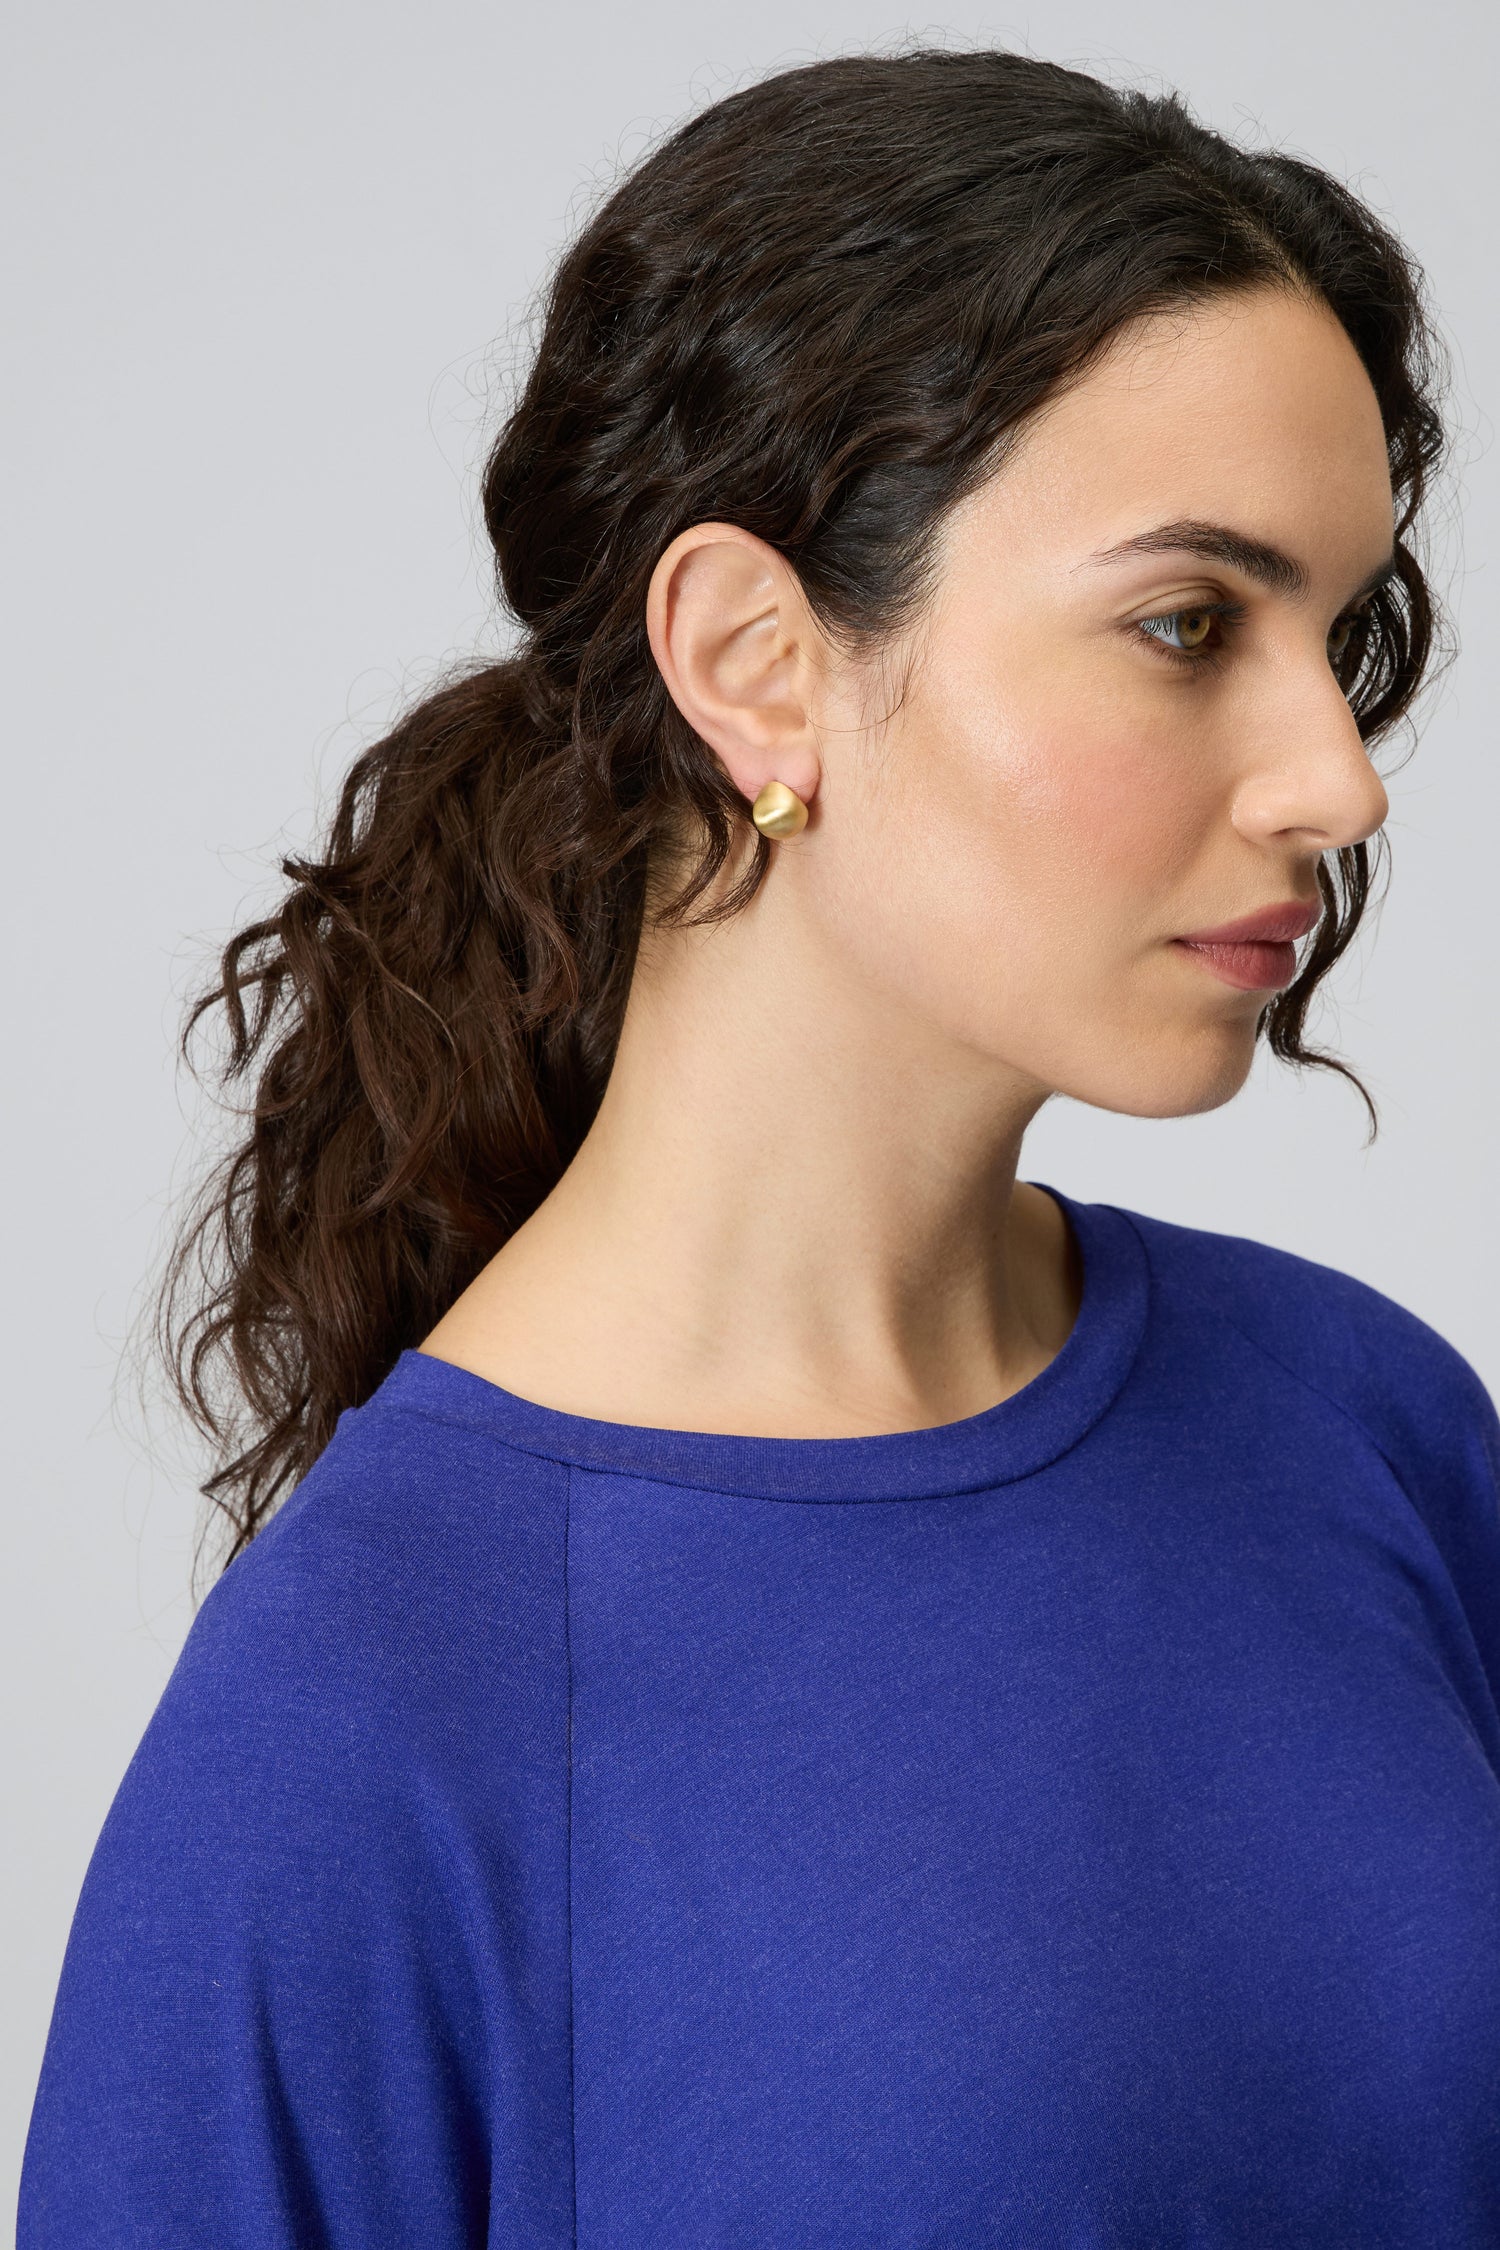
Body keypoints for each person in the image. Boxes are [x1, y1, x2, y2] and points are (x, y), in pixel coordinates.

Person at [19, 46, 1500, 2249]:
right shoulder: (362, 1727)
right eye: (1191, 624)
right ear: (754, 660)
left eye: (1335, 633)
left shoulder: (1364, 1426)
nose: (1338, 776)